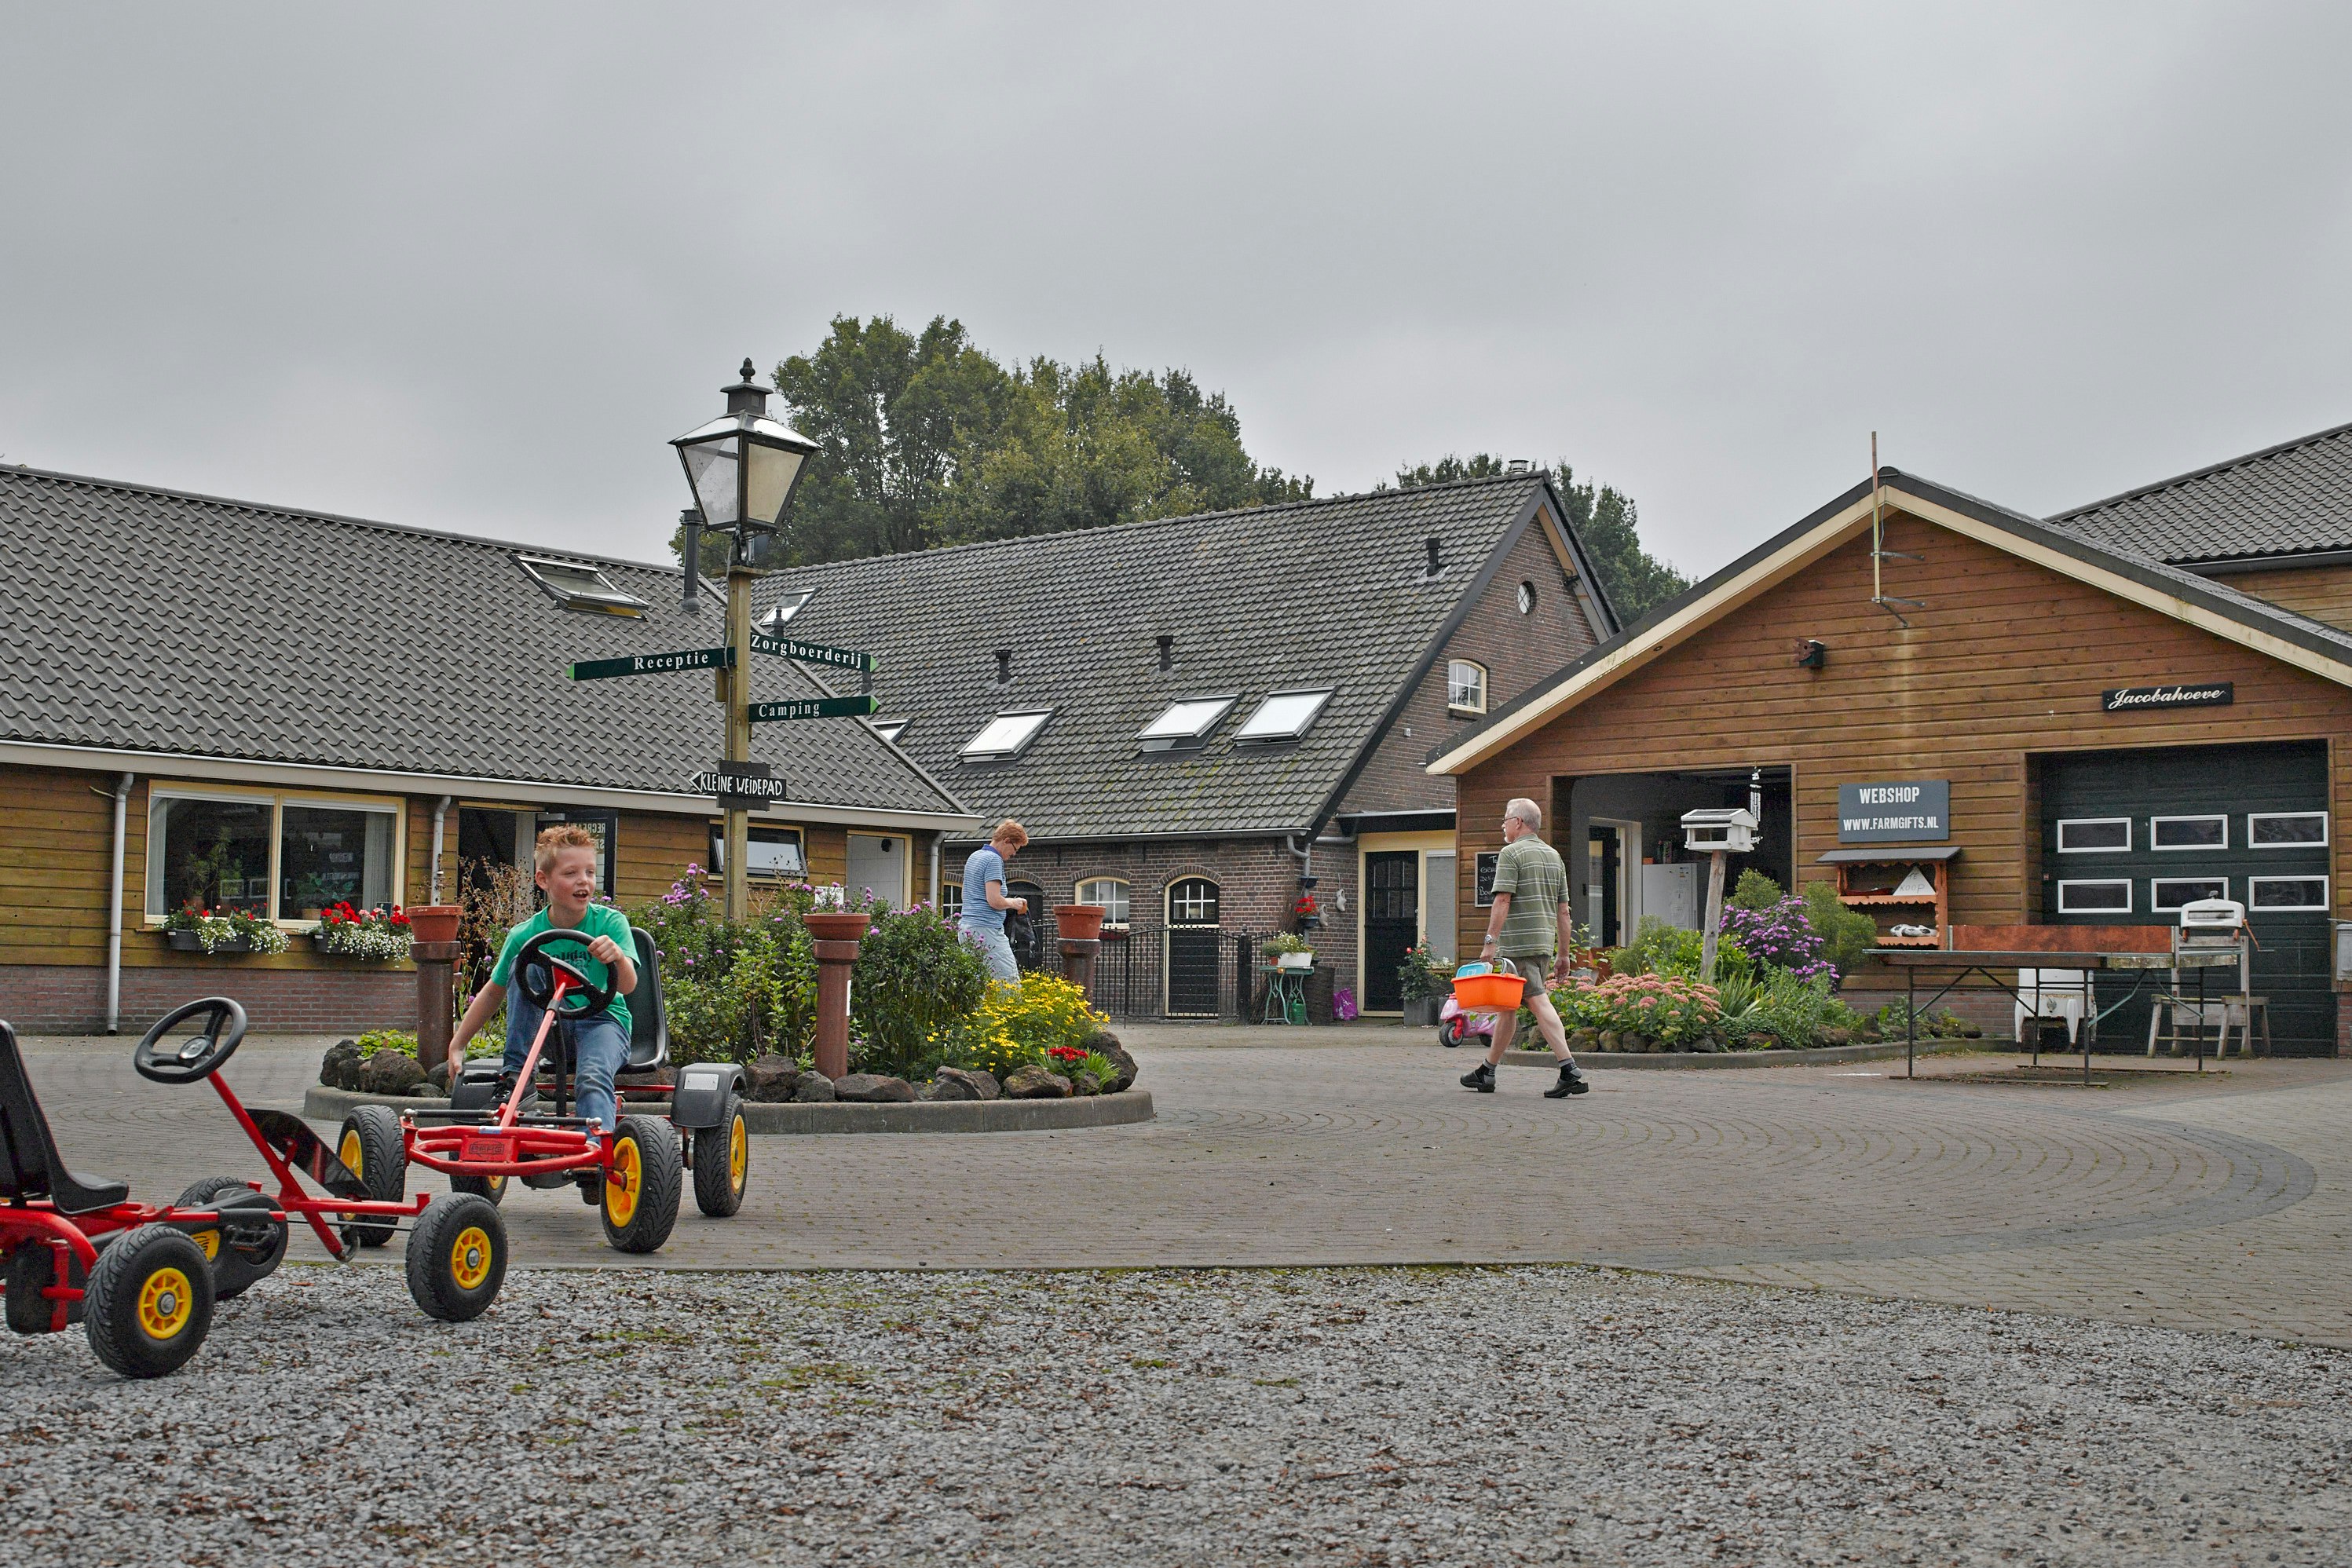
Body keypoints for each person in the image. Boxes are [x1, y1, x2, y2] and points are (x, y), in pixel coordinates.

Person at [450, 824, 638, 1140]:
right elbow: (494, 992)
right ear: (543, 880)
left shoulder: (610, 923)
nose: (584, 881)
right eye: (571, 873)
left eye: (590, 872)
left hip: (604, 1023)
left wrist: (617, 957)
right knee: (526, 966)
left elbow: (628, 986)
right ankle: (516, 1079)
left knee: (591, 1076)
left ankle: (595, 1148)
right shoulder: (525, 934)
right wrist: (458, 1044)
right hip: (553, 1029)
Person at [1460, 797, 1589, 1098]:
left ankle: (1570, 1069)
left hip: (1518, 946)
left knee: (1538, 1001)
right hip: (1542, 944)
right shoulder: (1554, 857)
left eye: (1505, 819)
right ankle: (1487, 1072)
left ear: (1518, 822)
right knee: (1507, 1008)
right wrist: (1564, 954)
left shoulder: (1511, 853)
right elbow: (1564, 912)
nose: (1503, 825)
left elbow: (1502, 900)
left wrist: (1489, 943)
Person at [958, 820, 1030, 985]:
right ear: (1006, 841)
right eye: (1015, 849)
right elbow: (995, 901)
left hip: (967, 929)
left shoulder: (975, 856)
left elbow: (966, 894)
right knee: (1009, 983)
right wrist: (1014, 903)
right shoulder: (993, 860)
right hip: (986, 930)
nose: (1014, 854)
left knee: (978, 985)